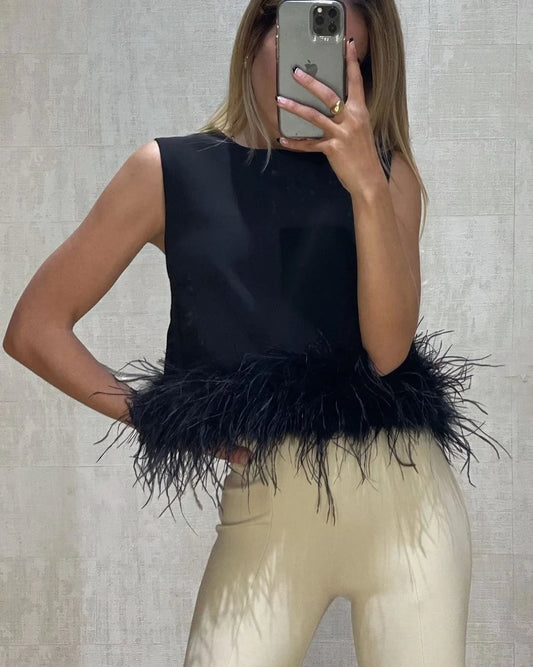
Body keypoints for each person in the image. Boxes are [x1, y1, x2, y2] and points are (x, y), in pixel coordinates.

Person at [3, 1, 511, 665]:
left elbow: (388, 354)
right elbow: (34, 327)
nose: (313, 74)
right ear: (255, 39)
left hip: (409, 511)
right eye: (300, 39)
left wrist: (365, 184)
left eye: (345, 58)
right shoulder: (167, 172)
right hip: (265, 511)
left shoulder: (388, 177)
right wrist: (155, 415)